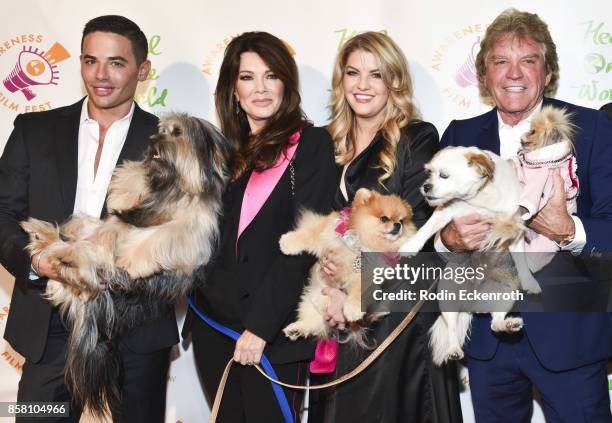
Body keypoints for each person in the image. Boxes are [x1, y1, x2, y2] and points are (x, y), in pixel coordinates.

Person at [436, 9, 612, 423]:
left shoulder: (592, 129)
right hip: (486, 343)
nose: (514, 73)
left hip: (569, 340)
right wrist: (450, 240)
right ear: (483, 75)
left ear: (547, 72)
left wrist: (569, 231)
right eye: (500, 61)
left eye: (528, 60)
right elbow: (437, 235)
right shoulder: (459, 135)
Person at [0, 15, 177, 422]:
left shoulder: (168, 145)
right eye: (90, 60)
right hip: (51, 325)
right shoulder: (34, 129)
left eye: (116, 63)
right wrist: (34, 263)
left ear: (143, 70)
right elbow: (3, 214)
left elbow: (182, 237)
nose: (101, 75)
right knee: (36, 415)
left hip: (134, 328)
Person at [184, 31, 336, 422]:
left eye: (271, 76)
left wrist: (260, 329)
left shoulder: (312, 144)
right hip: (212, 328)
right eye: (247, 78)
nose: (261, 88)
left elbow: (303, 244)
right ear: (233, 89)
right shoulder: (219, 152)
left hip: (274, 334)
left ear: (286, 82)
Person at [310, 31, 463, 423]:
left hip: (399, 314)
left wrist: (352, 281)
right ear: (340, 80)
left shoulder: (415, 138)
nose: (362, 85)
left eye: (375, 74)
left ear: (393, 82)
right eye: (353, 73)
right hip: (338, 315)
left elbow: (414, 227)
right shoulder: (327, 145)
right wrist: (330, 286)